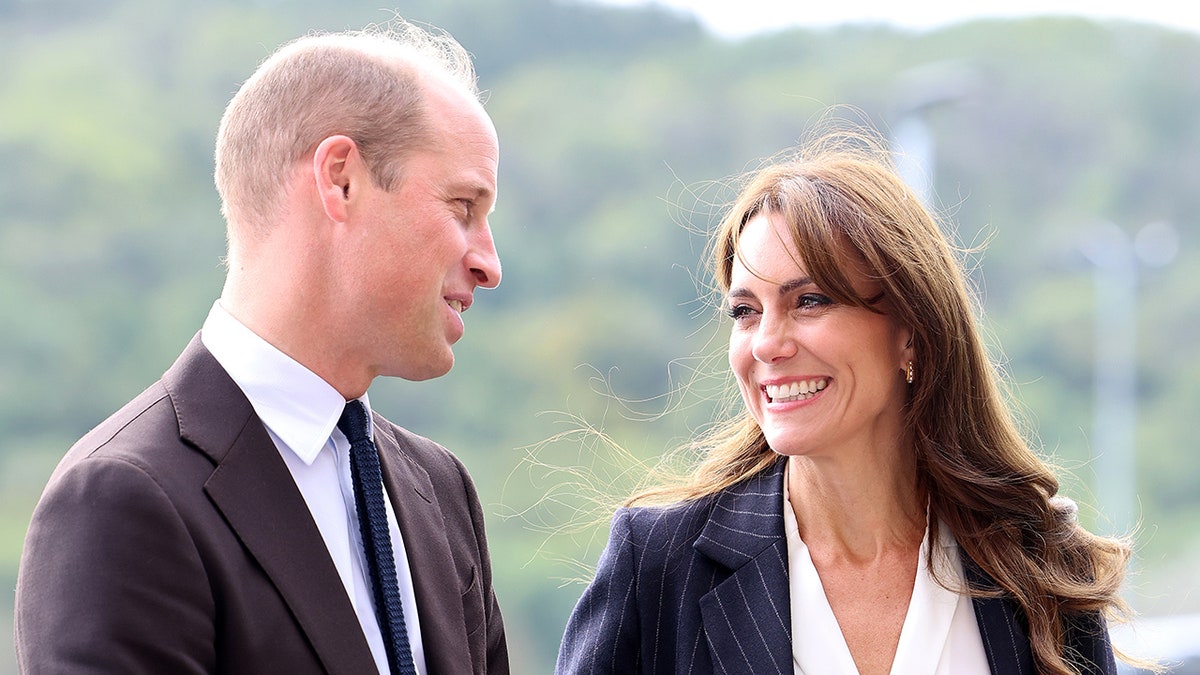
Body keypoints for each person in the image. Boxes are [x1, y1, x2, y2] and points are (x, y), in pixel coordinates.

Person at [16, 19, 509, 674]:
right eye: (462, 206)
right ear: (340, 180)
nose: (489, 263)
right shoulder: (119, 500)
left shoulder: (441, 490)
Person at [557, 127, 1132, 675]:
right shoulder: (660, 567)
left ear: (910, 328)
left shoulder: (1038, 563)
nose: (768, 344)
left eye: (809, 301)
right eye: (745, 311)